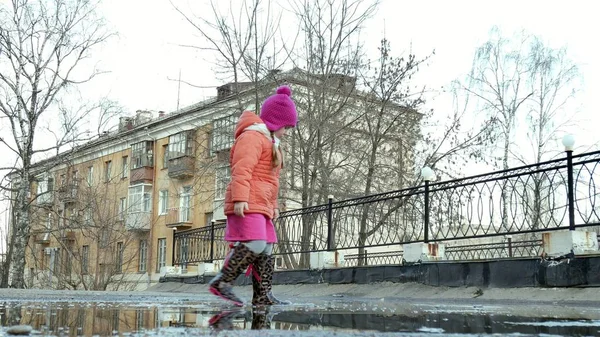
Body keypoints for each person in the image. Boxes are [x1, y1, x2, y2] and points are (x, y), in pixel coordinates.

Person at [209, 85, 297, 307]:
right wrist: (240, 197)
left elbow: (271, 180)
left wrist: (273, 205)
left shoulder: (271, 143)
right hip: (247, 201)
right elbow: (242, 168)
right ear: (275, 121)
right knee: (256, 243)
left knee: (266, 247)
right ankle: (222, 281)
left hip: (261, 203)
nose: (285, 131)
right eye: (285, 126)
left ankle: (262, 295)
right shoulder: (252, 137)